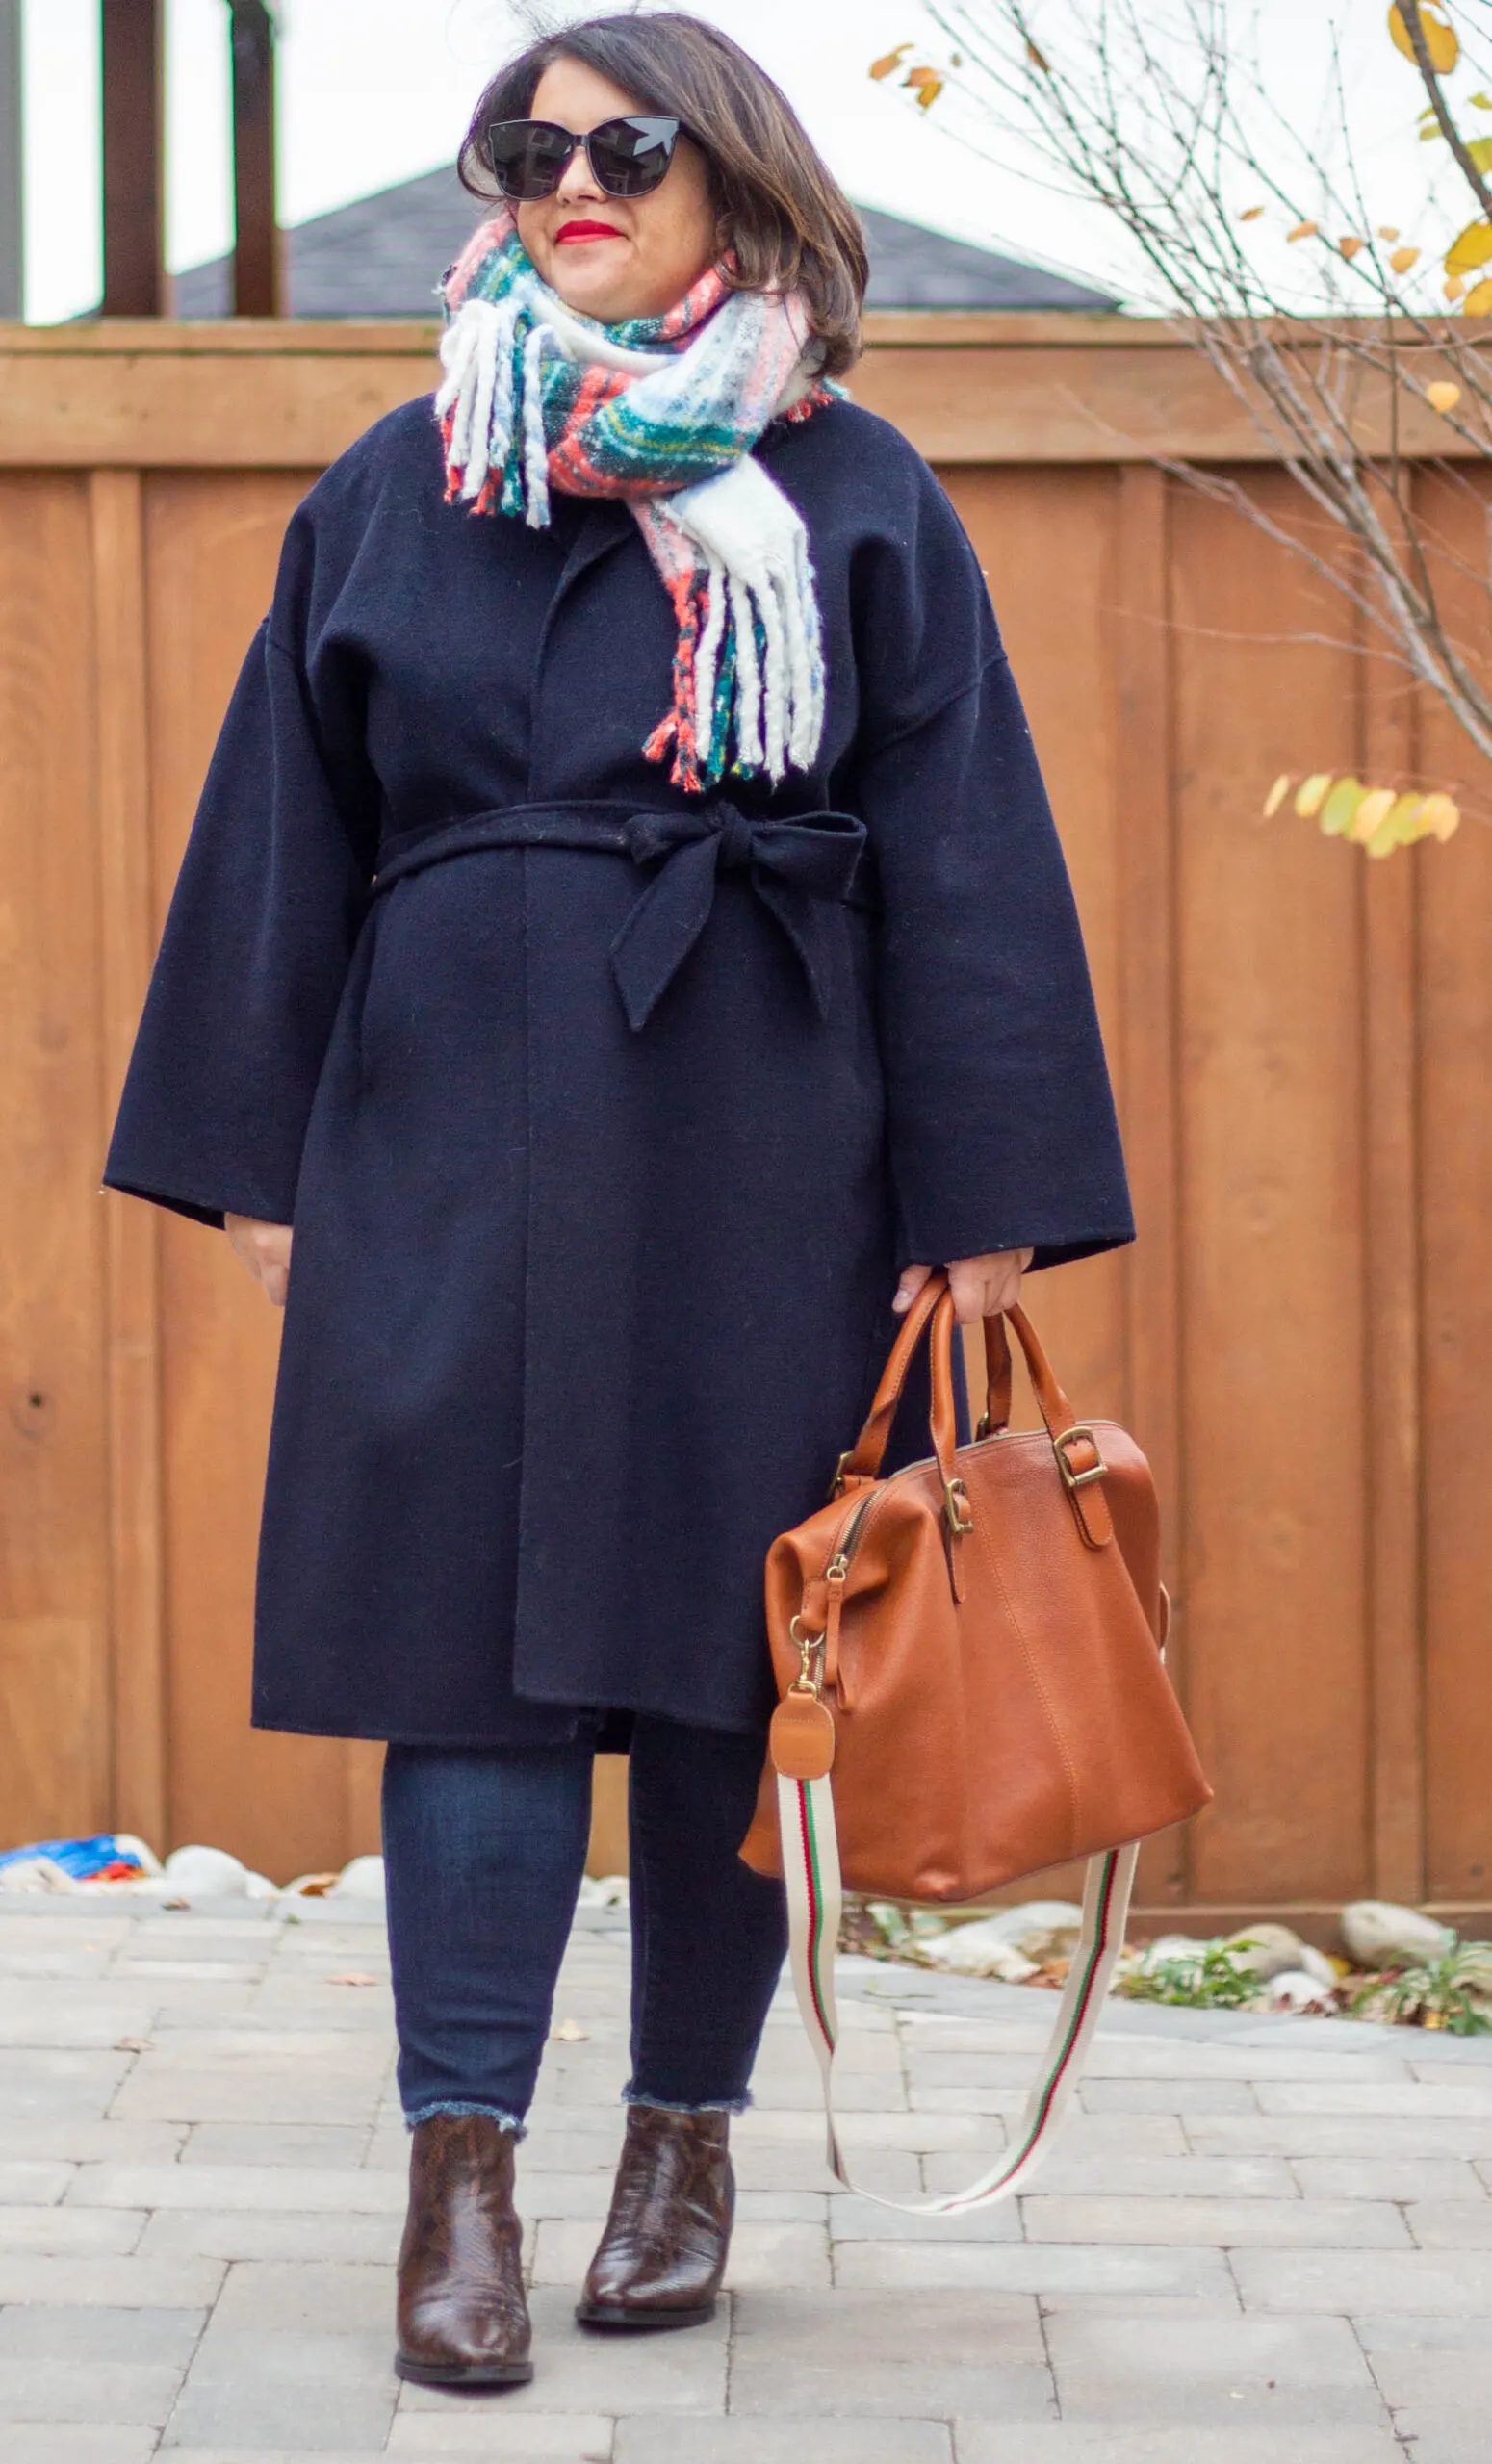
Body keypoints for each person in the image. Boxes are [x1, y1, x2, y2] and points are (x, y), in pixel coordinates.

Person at [105, 11, 1133, 2391]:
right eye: (522, 145)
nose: (568, 177)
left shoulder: (863, 491)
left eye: (622, 143)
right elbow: (288, 816)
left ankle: (686, 2137)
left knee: (728, 1660)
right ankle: (454, 2173)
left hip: (773, 1126)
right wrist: (257, 1156)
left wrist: (986, 1195)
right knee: (457, 1664)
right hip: (445, 1114)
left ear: (732, 178)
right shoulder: (400, 481)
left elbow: (965, 855)